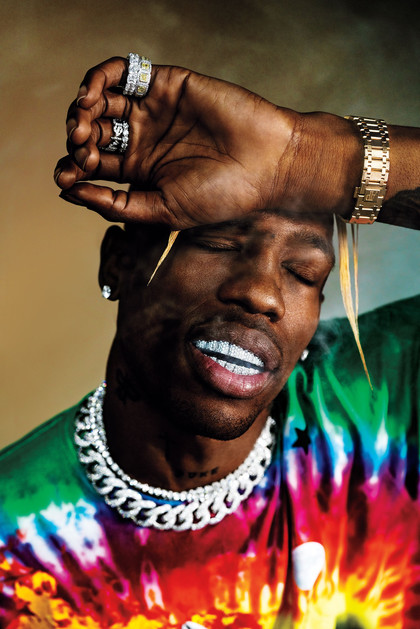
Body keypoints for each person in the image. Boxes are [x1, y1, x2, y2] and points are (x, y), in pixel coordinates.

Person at [0, 55, 419, 629]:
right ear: (118, 264)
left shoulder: (382, 399)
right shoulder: (17, 547)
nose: (262, 294)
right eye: (219, 243)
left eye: (302, 272)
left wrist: (312, 156)